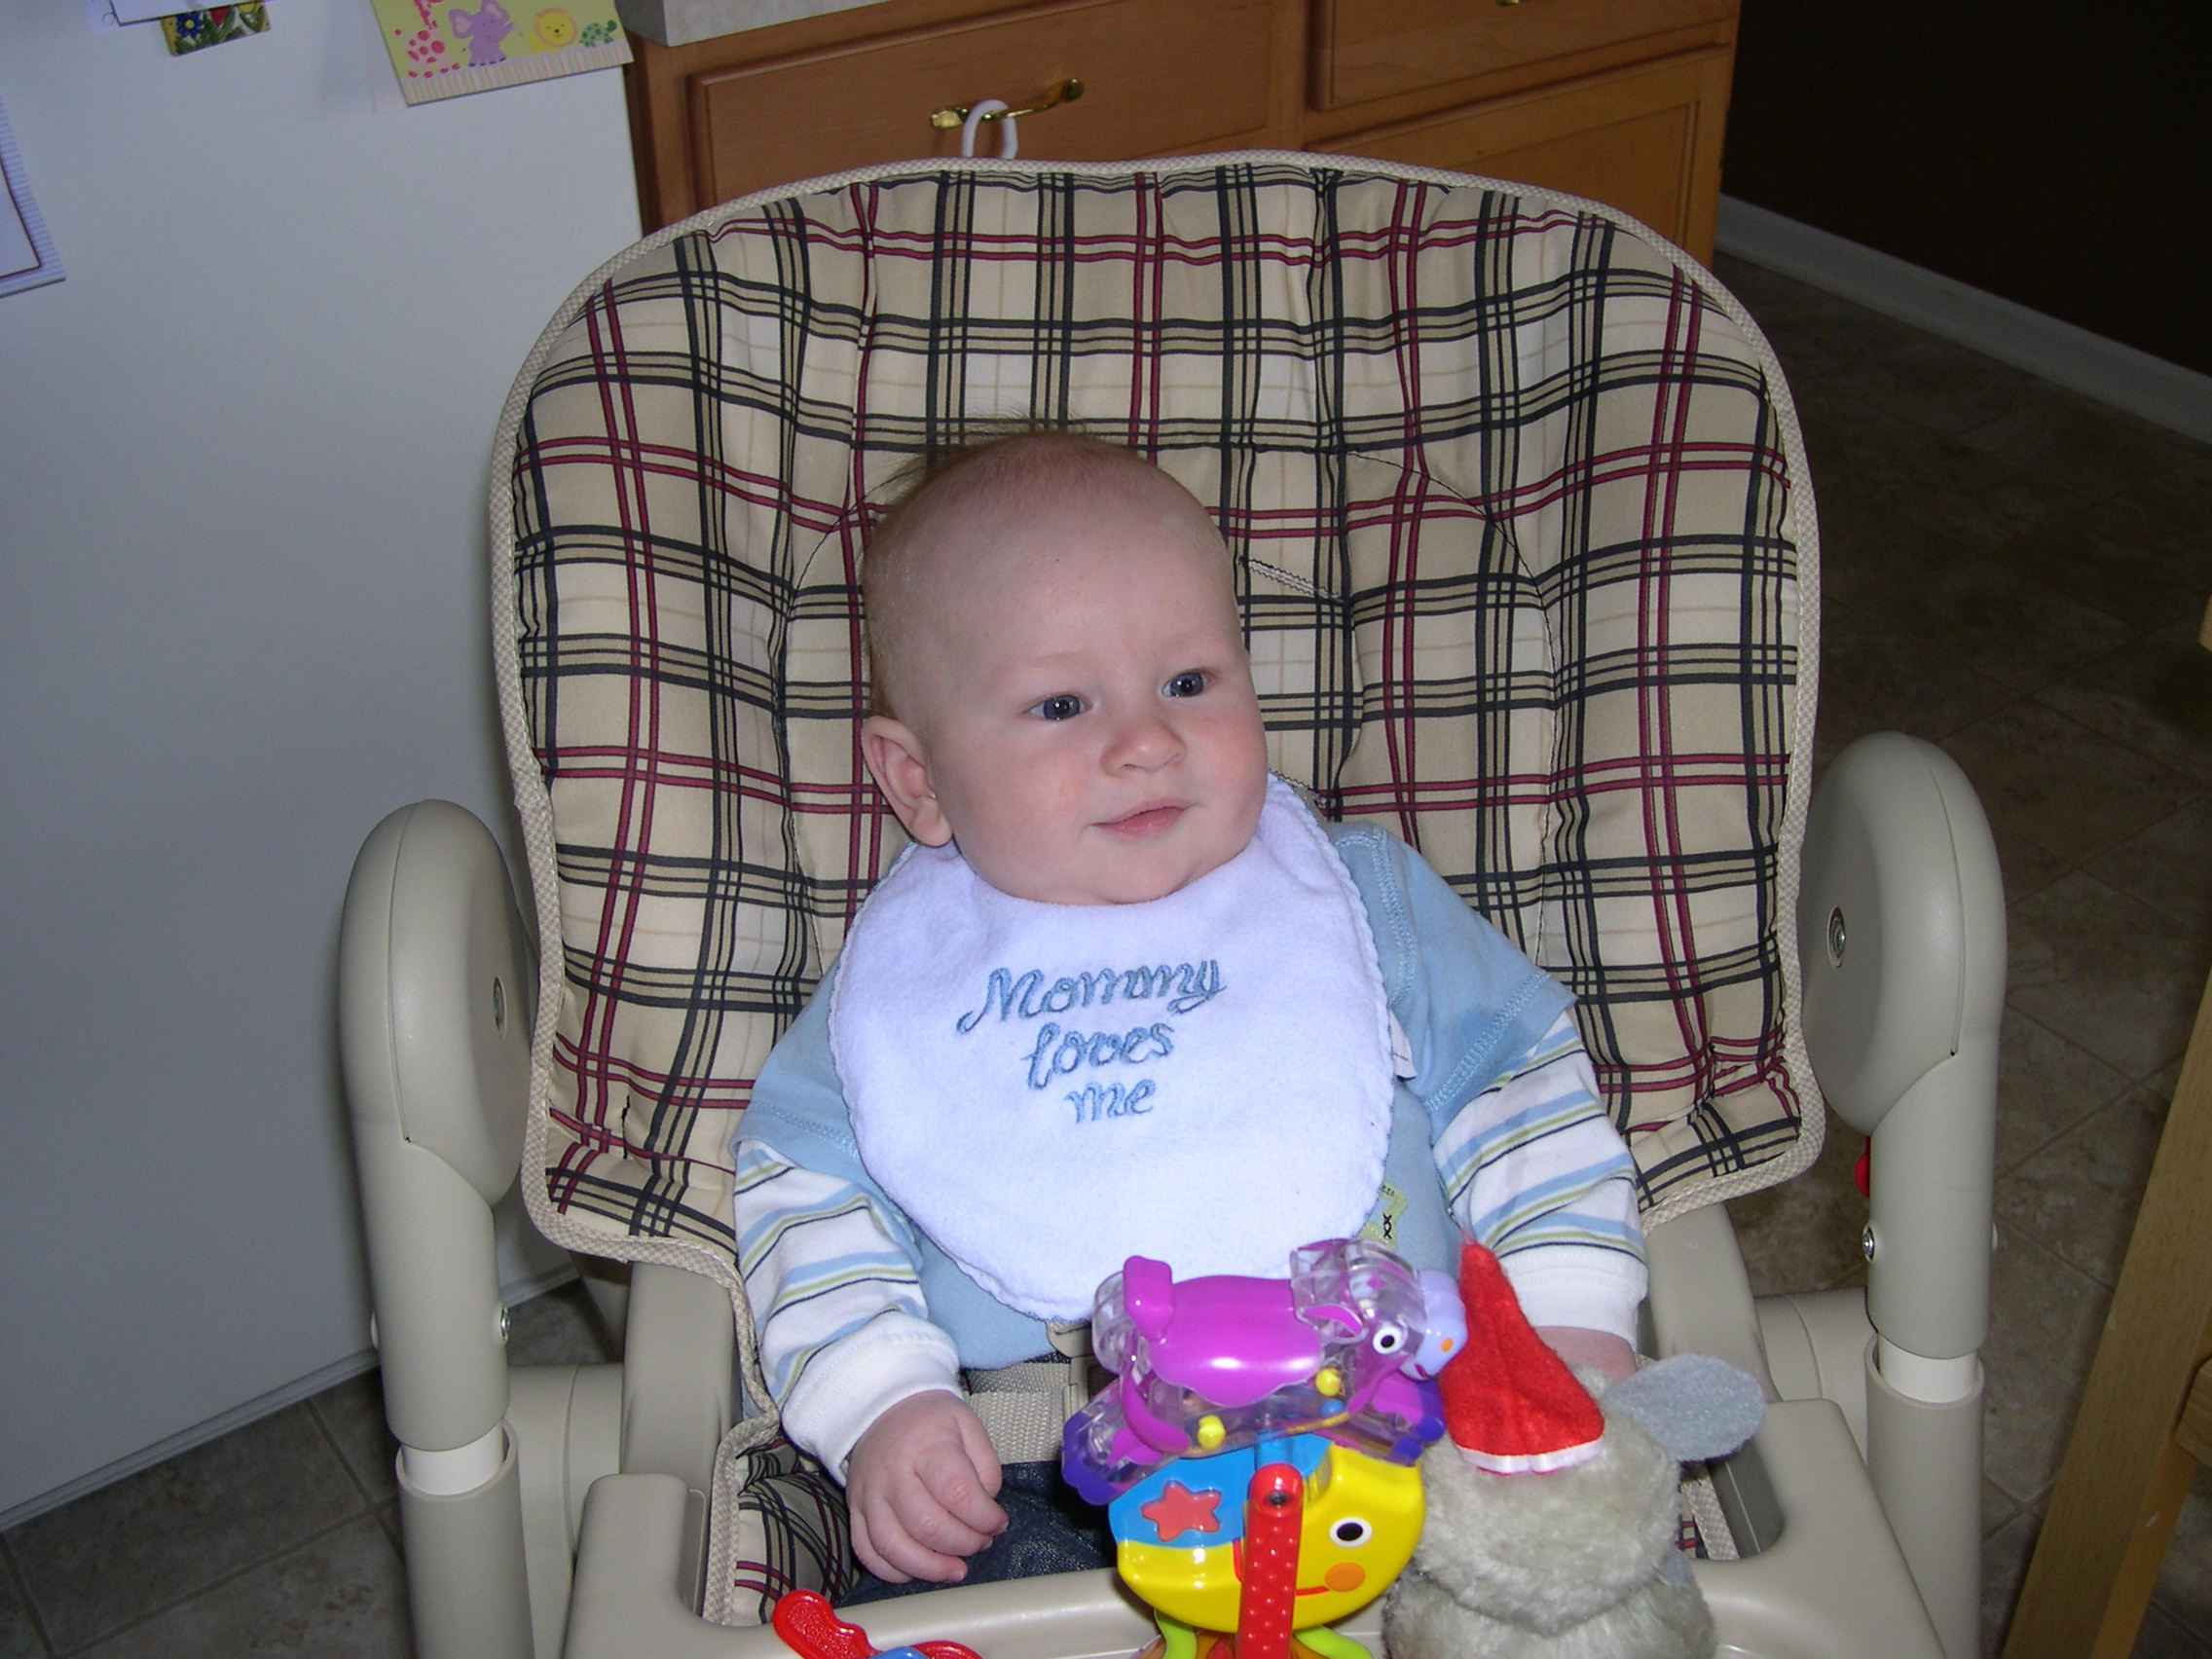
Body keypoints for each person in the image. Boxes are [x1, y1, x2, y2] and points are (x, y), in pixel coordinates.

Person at [730, 432, 1645, 1597]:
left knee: (1556, 1590)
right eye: (1061, 703)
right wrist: (880, 1401)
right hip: (1044, 1470)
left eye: (1189, 683)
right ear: (917, 782)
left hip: (1408, 1423)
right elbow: (803, 1192)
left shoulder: (1355, 903)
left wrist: (1562, 1319)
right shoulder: (905, 989)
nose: (1146, 740)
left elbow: (1520, 1088)